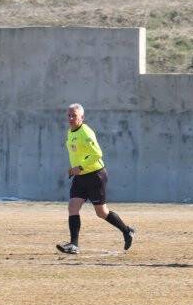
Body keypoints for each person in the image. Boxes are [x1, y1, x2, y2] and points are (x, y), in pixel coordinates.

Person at [56, 104, 136, 255]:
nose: (71, 118)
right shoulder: (70, 132)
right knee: (73, 207)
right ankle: (74, 245)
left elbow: (97, 153)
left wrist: (80, 166)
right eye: (69, 115)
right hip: (80, 177)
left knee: (101, 212)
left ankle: (127, 231)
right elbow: (77, 152)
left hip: (95, 176)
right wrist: (74, 168)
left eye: (74, 115)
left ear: (82, 117)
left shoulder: (86, 132)